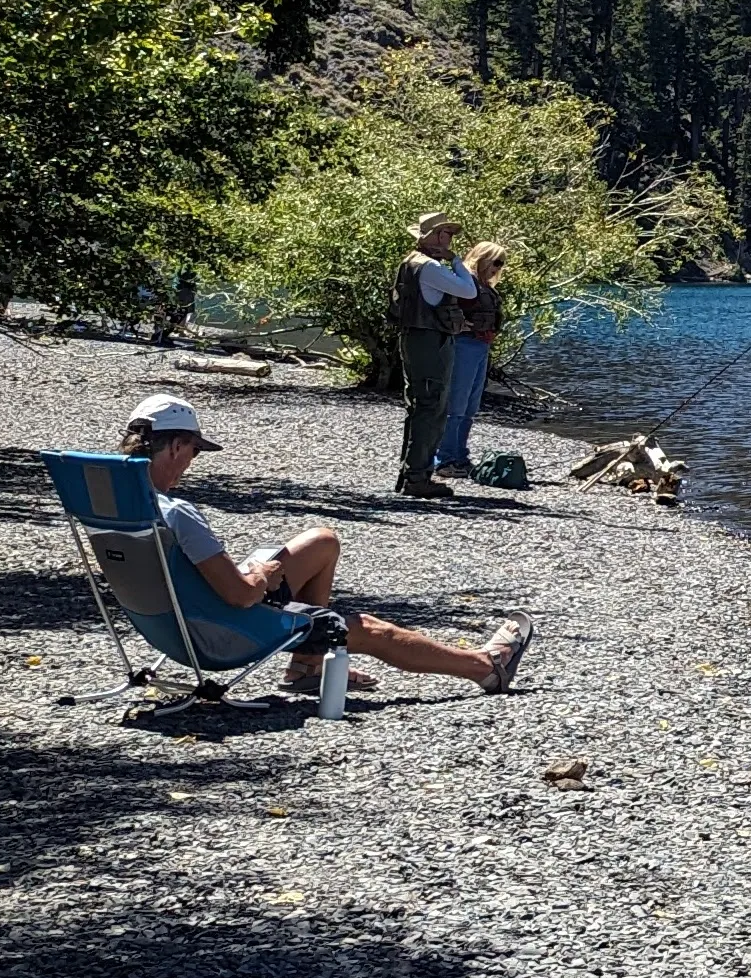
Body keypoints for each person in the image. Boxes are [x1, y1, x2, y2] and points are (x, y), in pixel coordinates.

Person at [117, 393, 532, 697]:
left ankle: (307, 666)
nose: (192, 461)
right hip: (217, 633)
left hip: (165, 627)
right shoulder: (177, 513)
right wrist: (259, 575)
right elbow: (241, 596)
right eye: (192, 450)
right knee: (367, 629)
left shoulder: (115, 504)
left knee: (321, 542)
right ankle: (486, 667)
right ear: (174, 446)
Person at [391, 212, 479, 498]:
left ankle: (410, 474)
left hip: (415, 339)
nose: (447, 239)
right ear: (429, 237)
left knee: (419, 407)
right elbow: (468, 290)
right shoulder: (429, 267)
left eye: (449, 235)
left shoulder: (410, 263)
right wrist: (456, 261)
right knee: (431, 407)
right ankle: (417, 478)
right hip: (430, 342)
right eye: (443, 234)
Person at [432, 239, 508, 483]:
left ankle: (460, 455)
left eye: (501, 263)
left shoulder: (484, 286)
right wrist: (457, 325)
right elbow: (444, 306)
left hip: (481, 346)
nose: (498, 267)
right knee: (456, 404)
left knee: (470, 407)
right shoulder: (465, 281)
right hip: (464, 345)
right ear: (483, 258)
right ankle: (444, 459)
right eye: (495, 262)